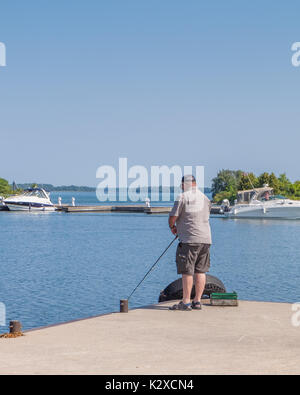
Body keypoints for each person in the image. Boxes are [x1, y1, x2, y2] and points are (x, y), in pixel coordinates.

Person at [168, 175, 212, 311]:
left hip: (189, 240)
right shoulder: (205, 198)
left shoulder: (183, 197)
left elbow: (173, 217)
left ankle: (186, 302)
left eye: (181, 185)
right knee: (201, 270)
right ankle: (197, 301)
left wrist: (173, 227)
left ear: (185, 184)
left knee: (187, 270)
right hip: (205, 239)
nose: (181, 187)